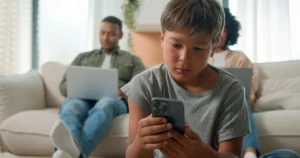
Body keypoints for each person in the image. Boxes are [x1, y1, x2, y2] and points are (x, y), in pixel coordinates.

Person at [121, 0, 250, 157]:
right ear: (162, 39)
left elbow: (232, 155)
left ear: (212, 49)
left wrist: (206, 155)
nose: (185, 58)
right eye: (176, 45)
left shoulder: (231, 90)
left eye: (198, 49)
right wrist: (141, 143)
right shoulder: (143, 85)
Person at [50, 16, 146, 158]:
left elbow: (142, 87)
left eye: (111, 34)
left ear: (120, 35)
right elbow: (63, 86)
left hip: (113, 100)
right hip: (82, 98)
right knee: (71, 107)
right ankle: (71, 152)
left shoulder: (132, 60)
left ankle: (73, 154)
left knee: (105, 104)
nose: (106, 37)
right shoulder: (83, 57)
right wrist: (76, 87)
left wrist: (123, 91)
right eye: (102, 32)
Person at [210, 8, 300, 158]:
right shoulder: (201, 59)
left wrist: (246, 99)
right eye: (216, 30)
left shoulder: (239, 57)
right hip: (212, 104)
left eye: (223, 30)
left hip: (237, 104)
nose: (220, 35)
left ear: (229, 32)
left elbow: (249, 88)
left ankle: (250, 154)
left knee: (289, 155)